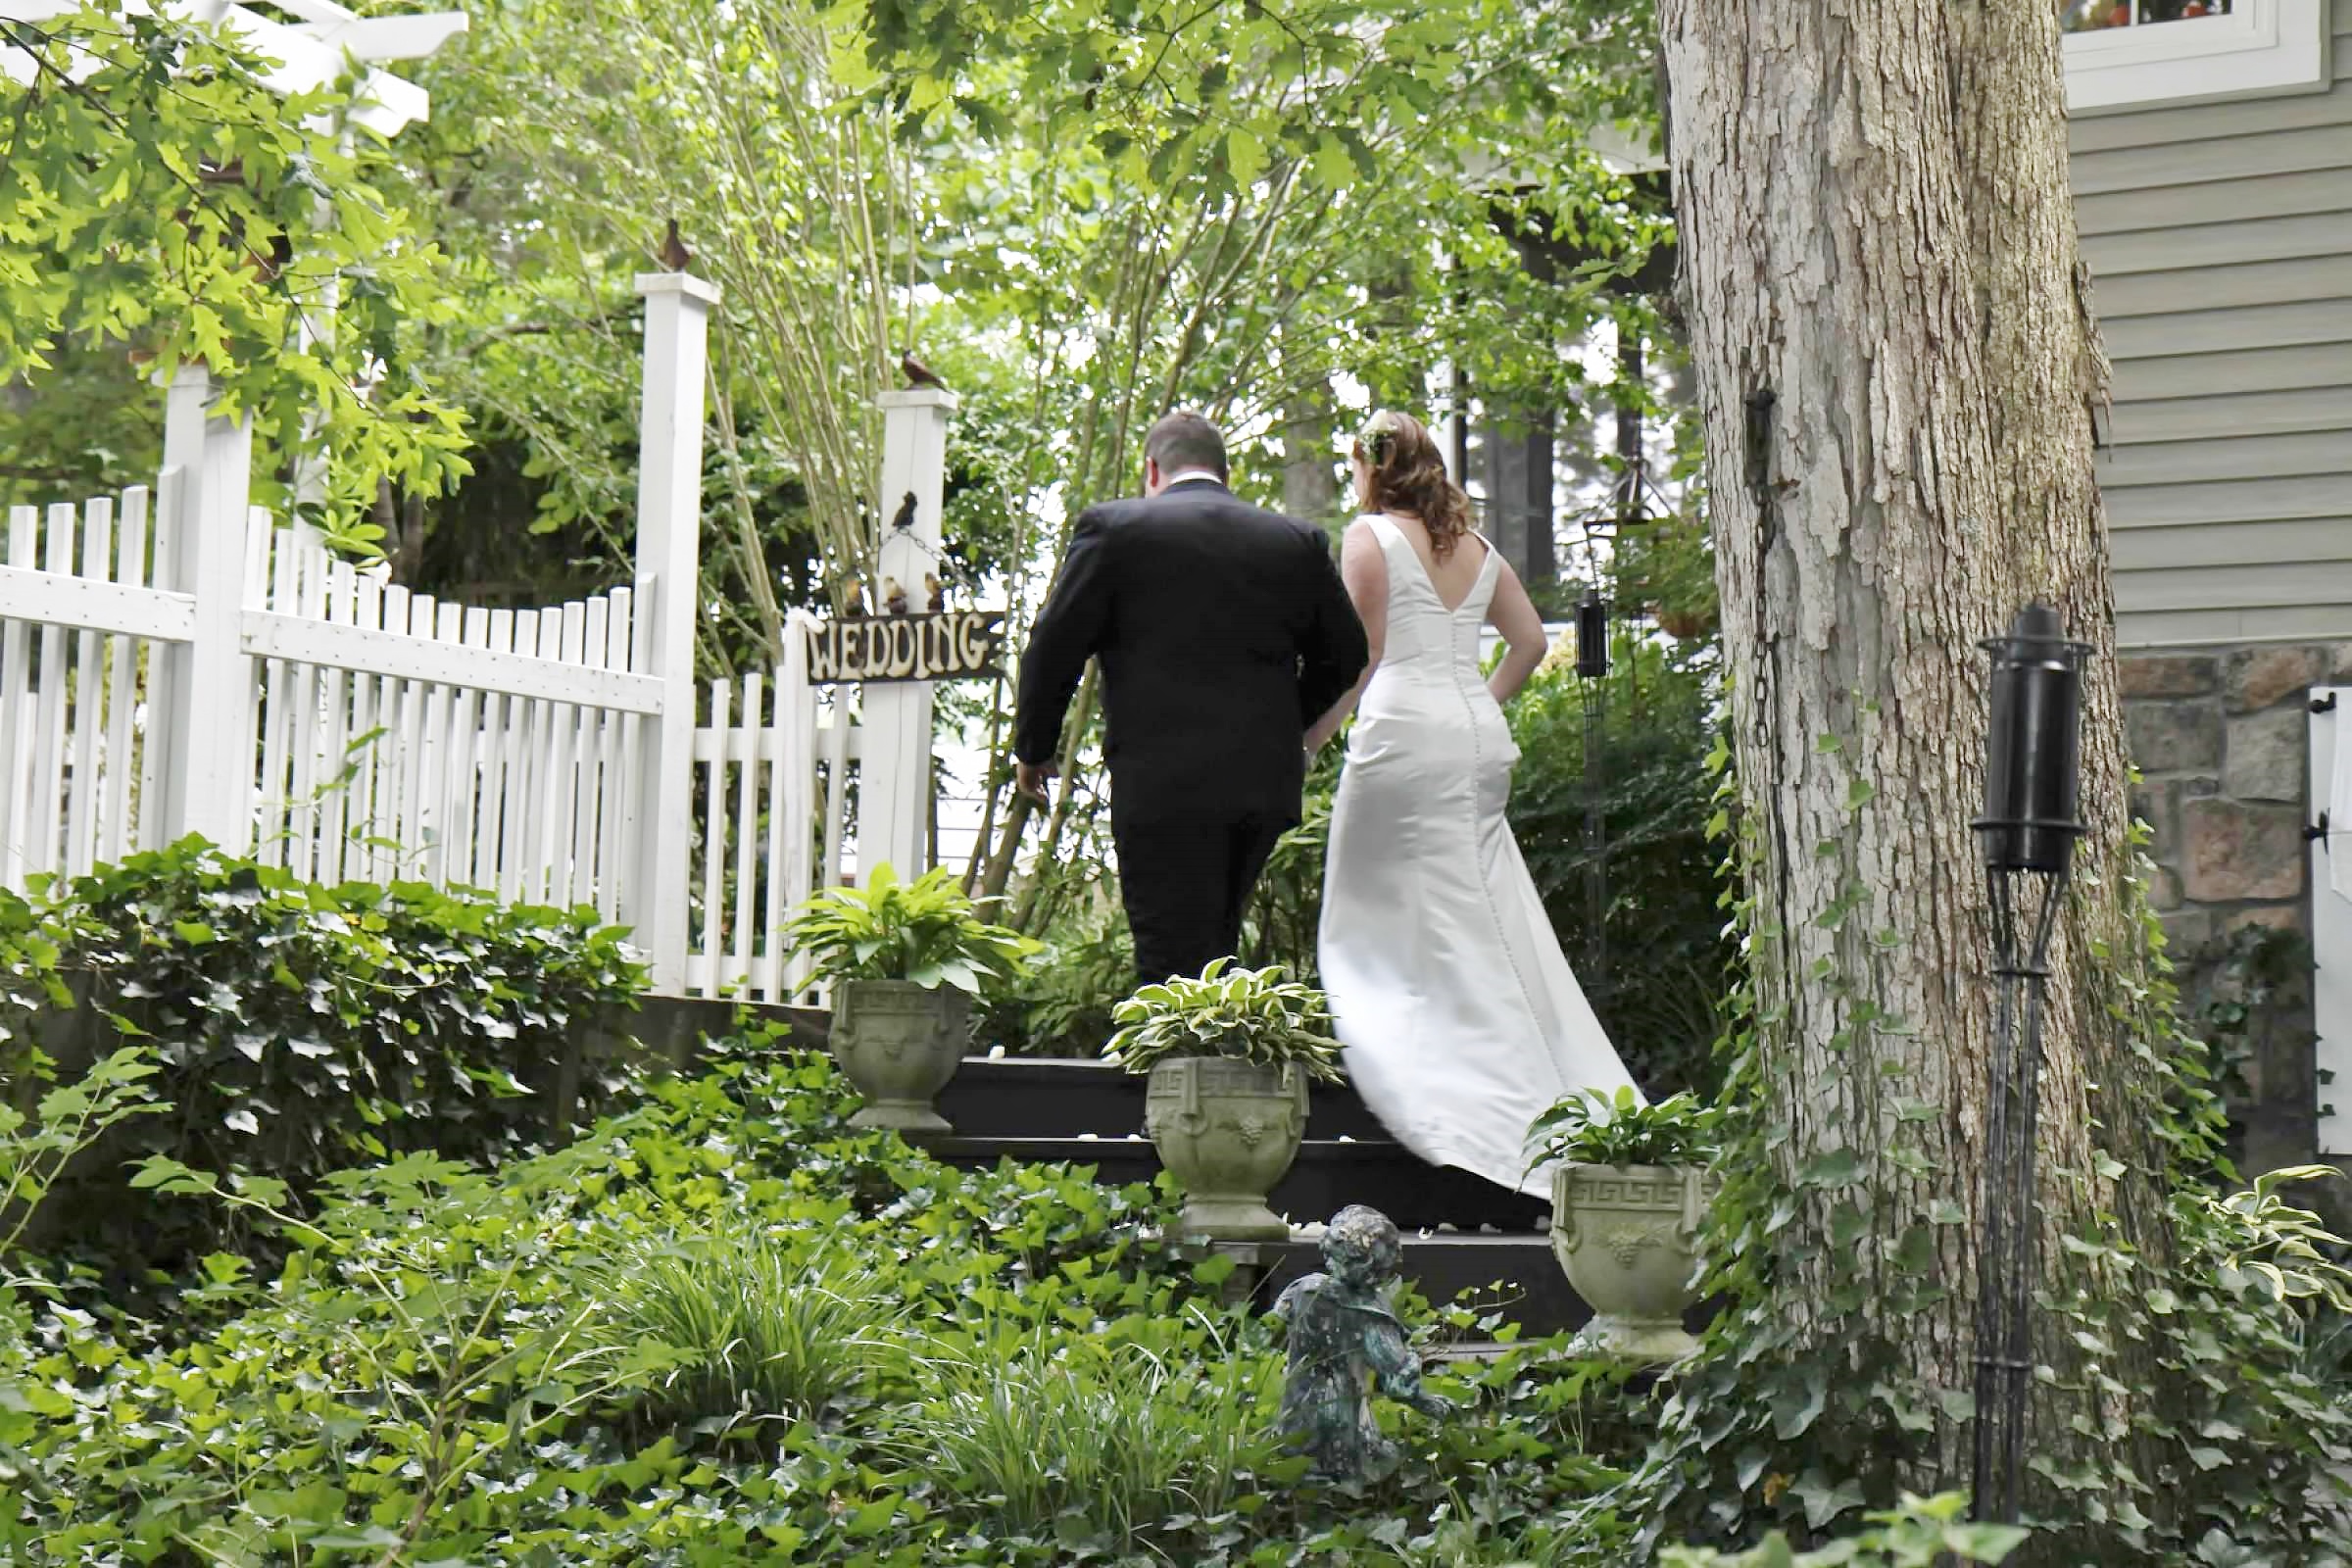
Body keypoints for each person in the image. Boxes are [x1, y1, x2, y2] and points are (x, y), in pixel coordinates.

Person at [1306, 409, 1641, 1198]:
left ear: (1373, 467)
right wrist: (1477, 705)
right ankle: (1558, 1083)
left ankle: (1458, 1097)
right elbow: (1529, 643)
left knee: (1375, 909)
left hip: (1404, 739)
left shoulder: (1369, 537)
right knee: (1486, 910)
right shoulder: (1480, 550)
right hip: (1476, 740)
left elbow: (1364, 657)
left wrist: (1312, 738)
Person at [1014, 410, 1368, 986]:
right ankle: (1214, 1063)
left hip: (1161, 781)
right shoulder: (1293, 542)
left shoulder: (1115, 531)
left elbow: (1054, 647)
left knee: (1167, 961)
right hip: (1260, 782)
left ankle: (1176, 1073)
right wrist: (1285, 727)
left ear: (1151, 469)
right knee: (1215, 945)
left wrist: (1035, 747)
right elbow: (1347, 654)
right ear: (1223, 472)